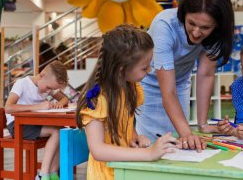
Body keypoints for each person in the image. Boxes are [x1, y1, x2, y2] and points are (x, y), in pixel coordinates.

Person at [135, 0, 235, 150]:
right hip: (148, 84)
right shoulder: (164, 25)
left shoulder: (216, 34)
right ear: (184, 14)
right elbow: (168, 91)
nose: (196, 32)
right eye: (192, 23)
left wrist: (202, 125)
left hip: (180, 82)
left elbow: (205, 75)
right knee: (152, 143)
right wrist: (187, 134)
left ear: (217, 26)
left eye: (205, 27)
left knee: (178, 141)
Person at [76, 24, 177, 180]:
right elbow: (98, 150)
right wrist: (148, 153)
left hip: (125, 167)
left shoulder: (130, 87)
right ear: (122, 69)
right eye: (144, 68)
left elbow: (125, 123)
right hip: (106, 174)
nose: (150, 70)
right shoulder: (97, 100)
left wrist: (134, 136)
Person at [5, 61, 69, 180]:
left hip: (35, 124)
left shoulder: (48, 87)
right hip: (18, 126)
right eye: (49, 87)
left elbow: (65, 98)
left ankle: (53, 173)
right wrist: (37, 107)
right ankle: (42, 175)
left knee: (63, 132)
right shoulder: (22, 84)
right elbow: (8, 108)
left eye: (52, 89)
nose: (49, 91)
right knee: (56, 132)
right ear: (41, 76)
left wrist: (59, 104)